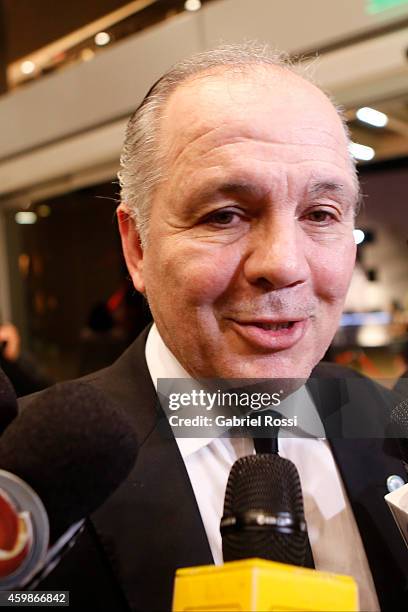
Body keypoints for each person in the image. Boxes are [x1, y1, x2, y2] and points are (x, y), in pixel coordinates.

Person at [21, 43, 407, 611]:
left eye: (320, 215)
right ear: (137, 247)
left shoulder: (391, 428)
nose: (284, 264)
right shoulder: (27, 478)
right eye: (225, 215)